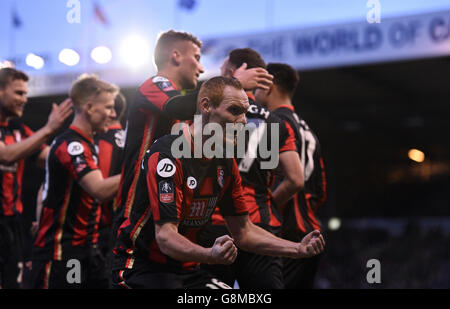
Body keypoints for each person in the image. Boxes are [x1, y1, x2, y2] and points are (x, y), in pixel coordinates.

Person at [111, 76, 324, 289]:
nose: (242, 121)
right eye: (234, 110)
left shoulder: (226, 162)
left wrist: (298, 249)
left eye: (245, 112)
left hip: (186, 271)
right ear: (206, 106)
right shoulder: (168, 155)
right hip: (140, 269)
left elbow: (244, 231)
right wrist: (209, 254)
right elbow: (166, 237)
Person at [114, 30, 274, 234]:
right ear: (176, 55)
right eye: (197, 58)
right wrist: (234, 85)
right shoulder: (154, 84)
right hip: (135, 211)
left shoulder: (192, 104)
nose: (201, 68)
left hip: (171, 208)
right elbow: (176, 107)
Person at [30, 75, 121, 289]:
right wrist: (141, 168)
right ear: (89, 107)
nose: (113, 114)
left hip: (88, 250)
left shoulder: (85, 144)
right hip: (64, 254)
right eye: (108, 107)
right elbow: (99, 189)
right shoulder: (72, 145)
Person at [255, 63, 327, 289]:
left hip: (284, 235)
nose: (254, 92)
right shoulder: (308, 130)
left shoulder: (275, 123)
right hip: (309, 232)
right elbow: (320, 190)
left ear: (269, 85)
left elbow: (293, 180)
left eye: (258, 85)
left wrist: (265, 210)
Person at [0, 67, 73, 289]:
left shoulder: (19, 130)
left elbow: (51, 158)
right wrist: (49, 128)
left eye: (25, 93)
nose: (24, 99)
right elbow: (6, 154)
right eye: (18, 93)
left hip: (13, 225)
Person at [95, 92, 127, 262]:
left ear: (111, 111)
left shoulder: (103, 140)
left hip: (103, 230)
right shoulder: (134, 138)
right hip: (126, 225)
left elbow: (99, 188)